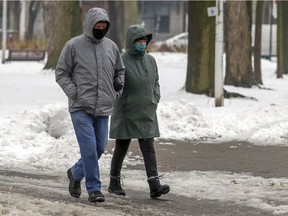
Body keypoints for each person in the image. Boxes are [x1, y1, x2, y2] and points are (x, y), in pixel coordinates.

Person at [55, 7, 125, 203]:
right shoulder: (73, 46)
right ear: (89, 25)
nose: (101, 29)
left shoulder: (111, 46)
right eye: (97, 26)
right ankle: (94, 189)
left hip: (103, 106)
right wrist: (74, 93)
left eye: (104, 26)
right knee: (88, 148)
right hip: (80, 107)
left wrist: (117, 89)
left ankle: (75, 173)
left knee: (100, 147)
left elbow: (120, 70)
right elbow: (61, 73)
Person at [108, 24, 170, 198]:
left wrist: (155, 97)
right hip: (126, 111)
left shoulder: (150, 60)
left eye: (144, 40)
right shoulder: (122, 60)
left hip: (146, 110)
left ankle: (154, 184)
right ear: (131, 42)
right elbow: (115, 85)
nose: (142, 43)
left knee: (148, 147)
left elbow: (156, 81)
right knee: (122, 147)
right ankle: (114, 182)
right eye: (139, 40)